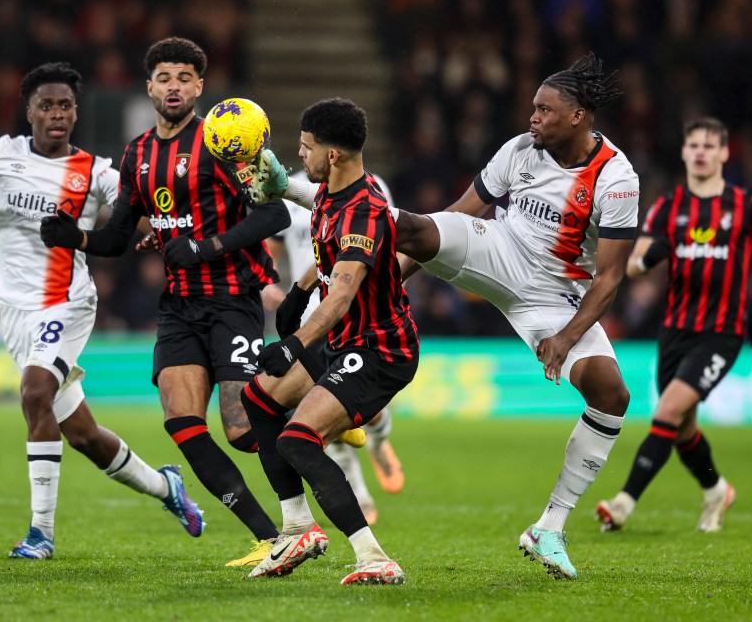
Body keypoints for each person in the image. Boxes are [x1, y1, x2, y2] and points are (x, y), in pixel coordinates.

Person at [252, 53, 638, 580]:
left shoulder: (617, 179)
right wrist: (387, 285)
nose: (532, 118)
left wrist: (568, 337)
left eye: (545, 110)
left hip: (554, 293)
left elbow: (611, 277)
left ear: (578, 116)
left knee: (612, 393)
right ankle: (297, 191)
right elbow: (457, 214)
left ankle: (550, 525)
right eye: (532, 107)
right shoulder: (520, 150)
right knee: (407, 224)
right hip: (497, 247)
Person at [0, 62, 204, 560]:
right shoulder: (1, 155)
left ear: (75, 112)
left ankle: (40, 533)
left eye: (65, 105)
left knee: (35, 391)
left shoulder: (95, 170)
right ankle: (166, 488)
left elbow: (136, 207)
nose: (56, 114)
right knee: (84, 435)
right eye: (46, 105)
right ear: (29, 112)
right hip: (14, 311)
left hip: (67, 303)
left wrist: (155, 227)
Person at [38, 37, 288, 567]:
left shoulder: (223, 141)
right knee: (183, 425)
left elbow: (275, 216)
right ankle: (272, 538)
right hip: (178, 306)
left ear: (200, 86)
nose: (173, 87)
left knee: (243, 431)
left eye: (184, 78)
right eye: (164, 78)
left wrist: (206, 246)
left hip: (232, 299)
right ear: (148, 86)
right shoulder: (136, 153)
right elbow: (118, 235)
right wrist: (74, 236)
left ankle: (315, 420)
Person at [239, 98, 419, 585]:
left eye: (306, 147)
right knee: (257, 398)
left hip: (380, 349)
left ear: (333, 154)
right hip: (343, 340)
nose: (301, 155)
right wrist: (298, 292)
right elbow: (323, 259)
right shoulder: (329, 194)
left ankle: (373, 557)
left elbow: (340, 295)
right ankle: (297, 526)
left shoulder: (364, 211)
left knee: (297, 439)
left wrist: (294, 343)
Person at [595, 117, 752, 533]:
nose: (701, 151)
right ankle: (717, 489)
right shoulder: (668, 208)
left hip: (722, 332)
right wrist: (648, 258)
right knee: (682, 428)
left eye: (709, 145)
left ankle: (624, 502)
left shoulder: (744, 205)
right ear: (684, 152)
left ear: (723, 154)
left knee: (667, 410)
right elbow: (630, 265)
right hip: (675, 332)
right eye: (694, 145)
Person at [263, 170, 405, 525]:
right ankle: (358, 491)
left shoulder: (372, 189)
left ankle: (379, 439)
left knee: (364, 413)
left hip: (351, 313)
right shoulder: (291, 193)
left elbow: (390, 247)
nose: (302, 153)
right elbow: (276, 247)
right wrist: (267, 282)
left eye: (307, 145)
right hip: (309, 320)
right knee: (320, 411)